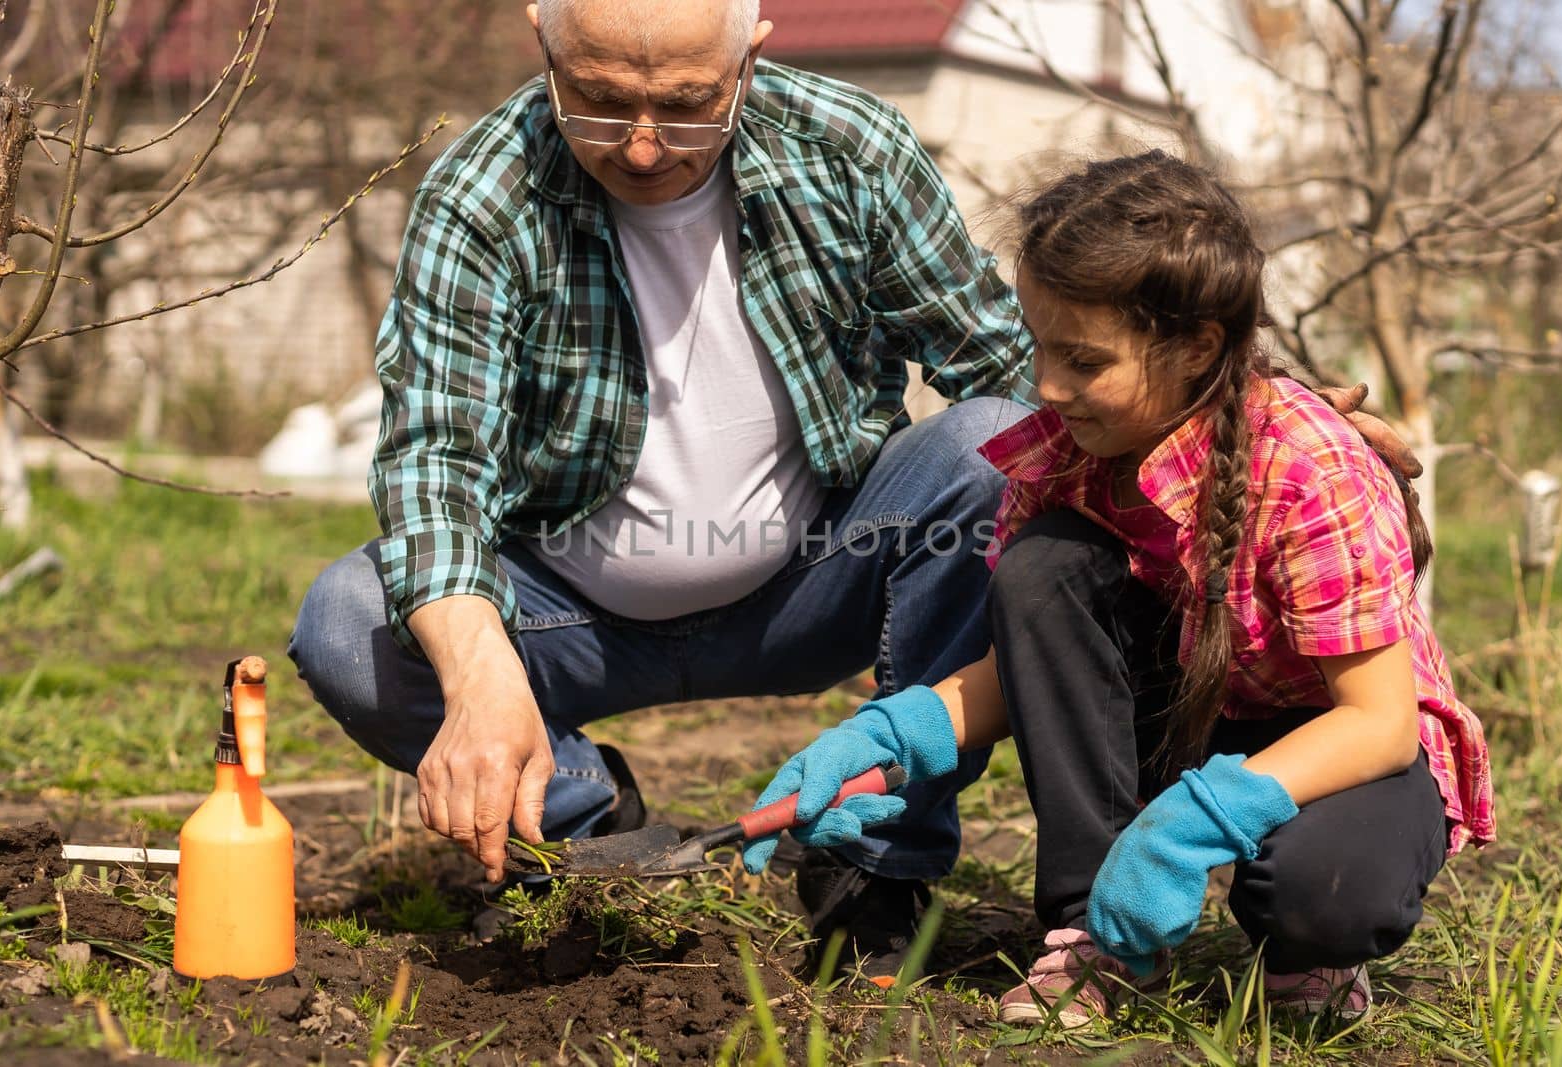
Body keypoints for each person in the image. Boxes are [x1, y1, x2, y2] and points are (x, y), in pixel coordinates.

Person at [287, 0, 1040, 982]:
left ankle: (872, 867)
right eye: (599, 103)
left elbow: (1004, 367)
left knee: (996, 446)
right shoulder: (482, 195)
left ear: (748, 59)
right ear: (544, 49)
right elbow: (436, 461)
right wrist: (477, 675)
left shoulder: (851, 150)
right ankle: (591, 823)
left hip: (819, 578)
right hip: (570, 618)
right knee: (350, 622)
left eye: (687, 107)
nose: (643, 150)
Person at [742, 150, 1495, 1020]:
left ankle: (1308, 958)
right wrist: (886, 737)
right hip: (1190, 711)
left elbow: (1377, 722)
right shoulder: (1062, 456)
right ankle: (1097, 937)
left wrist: (1193, 821)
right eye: (1039, 347)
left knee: (1322, 894)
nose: (1048, 386)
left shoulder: (1307, 463)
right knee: (1043, 566)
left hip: (1342, 735)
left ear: (1197, 347)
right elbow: (1028, 672)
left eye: (1085, 361)